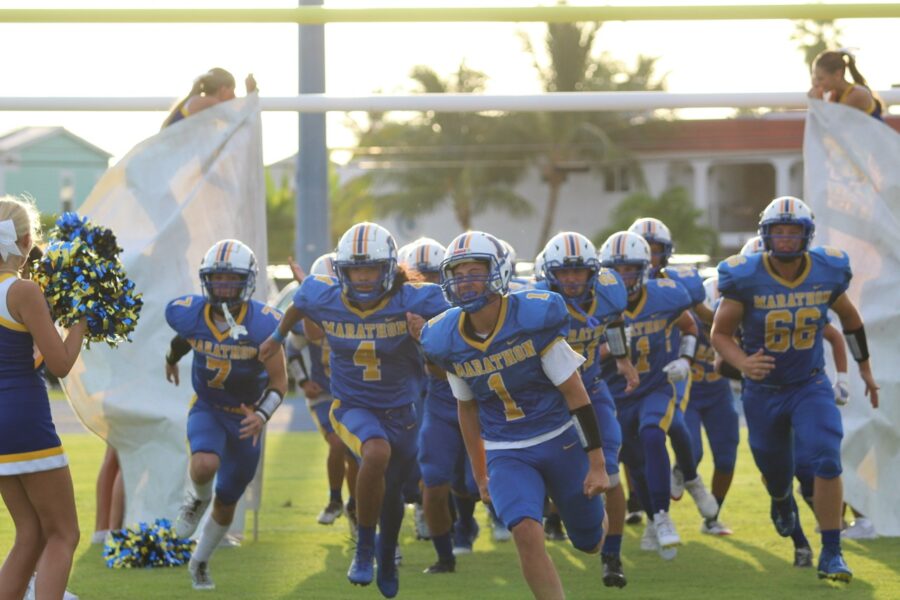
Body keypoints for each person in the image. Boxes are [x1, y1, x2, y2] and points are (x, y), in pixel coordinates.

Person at [259, 222, 448, 599]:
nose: (362, 278)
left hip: (404, 408)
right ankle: (364, 547)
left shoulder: (415, 299)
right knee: (375, 452)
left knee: (394, 493)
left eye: (370, 269)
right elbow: (299, 303)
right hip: (351, 405)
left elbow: (456, 324)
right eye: (355, 270)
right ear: (342, 271)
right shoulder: (324, 293)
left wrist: (426, 332)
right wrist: (277, 337)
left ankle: (385, 549)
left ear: (389, 268)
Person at [418, 231, 609, 600]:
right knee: (525, 530)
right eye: (458, 273)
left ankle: (592, 521)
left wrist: (597, 463)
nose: (465, 280)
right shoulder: (445, 338)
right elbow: (467, 407)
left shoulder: (533, 317)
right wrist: (480, 471)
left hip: (560, 440)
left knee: (590, 542)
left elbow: (575, 393)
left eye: (475, 270)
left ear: (499, 272)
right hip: (506, 449)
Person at [711, 196, 879, 582]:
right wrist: (743, 362)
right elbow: (719, 334)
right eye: (778, 232)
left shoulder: (827, 270)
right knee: (775, 470)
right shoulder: (745, 275)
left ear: (807, 235)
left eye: (793, 232)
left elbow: (850, 322)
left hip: (809, 384)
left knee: (826, 458)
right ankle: (781, 499)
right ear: (765, 235)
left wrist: (864, 370)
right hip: (763, 390)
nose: (785, 239)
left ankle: (832, 552)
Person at [165, 239, 287, 591]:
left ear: (246, 281)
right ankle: (196, 499)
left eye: (231, 279)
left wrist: (262, 416)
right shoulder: (190, 313)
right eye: (216, 278)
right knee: (204, 465)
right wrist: (171, 360)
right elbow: (185, 337)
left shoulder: (265, 325)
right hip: (209, 406)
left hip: (247, 416)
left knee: (229, 497)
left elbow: (279, 383)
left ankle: (200, 561)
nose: (223, 286)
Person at [598, 231, 716, 561]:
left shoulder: (664, 297)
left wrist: (685, 359)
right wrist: (613, 347)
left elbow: (691, 326)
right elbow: (586, 354)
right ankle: (653, 517)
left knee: (654, 433)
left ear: (645, 268)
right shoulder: (599, 304)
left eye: (631, 269)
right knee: (634, 464)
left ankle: (664, 514)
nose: (624, 277)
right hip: (616, 394)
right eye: (617, 270)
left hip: (656, 386)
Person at [536, 231, 639, 587]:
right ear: (549, 273)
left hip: (593, 390)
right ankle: (555, 519)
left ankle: (612, 556)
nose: (571, 279)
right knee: (554, 472)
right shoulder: (536, 304)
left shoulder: (610, 291)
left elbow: (613, 322)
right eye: (563, 272)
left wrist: (623, 359)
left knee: (610, 474)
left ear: (593, 271)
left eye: (578, 272)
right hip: (549, 403)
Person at [0, 195, 87, 600]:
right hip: (25, 419)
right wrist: (83, 318)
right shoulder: (22, 291)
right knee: (63, 534)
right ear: (23, 241)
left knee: (30, 535)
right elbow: (61, 364)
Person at [626, 218, 719, 524]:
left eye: (655, 250)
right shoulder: (614, 289)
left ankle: (690, 478)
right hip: (631, 375)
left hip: (670, 370)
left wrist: (691, 356)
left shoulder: (675, 286)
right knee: (635, 444)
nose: (650, 257)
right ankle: (644, 507)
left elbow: (703, 319)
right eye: (644, 250)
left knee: (675, 423)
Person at [287, 252, 360, 530]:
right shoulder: (308, 319)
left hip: (352, 396)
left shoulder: (360, 312)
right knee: (339, 444)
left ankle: (354, 504)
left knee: (356, 454)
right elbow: (292, 350)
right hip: (324, 395)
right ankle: (334, 499)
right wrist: (304, 382)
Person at [162, 68, 258, 129]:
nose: (234, 97)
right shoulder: (209, 102)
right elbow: (237, 119)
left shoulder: (198, 101)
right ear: (223, 89)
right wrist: (251, 94)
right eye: (233, 90)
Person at [808, 50, 883, 121]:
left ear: (838, 75)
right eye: (815, 78)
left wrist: (817, 102)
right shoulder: (835, 95)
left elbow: (832, 125)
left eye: (820, 79)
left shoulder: (856, 94)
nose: (816, 83)